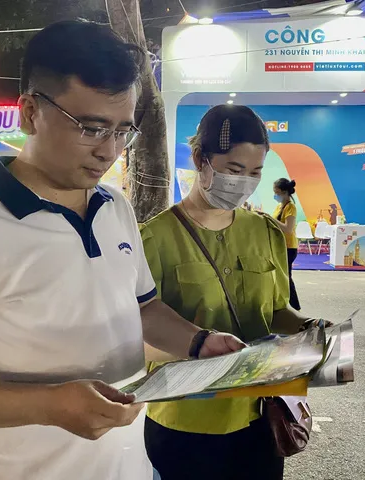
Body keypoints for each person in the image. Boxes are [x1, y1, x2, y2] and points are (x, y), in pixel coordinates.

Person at [0, 21, 243, 480]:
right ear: (30, 112)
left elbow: (142, 308)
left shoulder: (115, 207)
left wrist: (199, 342)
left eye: (122, 131)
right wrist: (51, 404)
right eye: (91, 128)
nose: (109, 151)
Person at [140, 105, 327, 480]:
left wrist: (310, 329)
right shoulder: (153, 238)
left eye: (255, 172)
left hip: (259, 415)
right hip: (185, 419)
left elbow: (276, 311)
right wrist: (199, 343)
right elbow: (139, 336)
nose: (244, 182)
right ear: (200, 159)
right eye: (234, 170)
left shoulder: (266, 232)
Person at [273, 178, 301, 310]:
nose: (275, 195)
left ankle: (295, 307)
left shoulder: (290, 207)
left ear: (284, 192)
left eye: (277, 192)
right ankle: (286, 304)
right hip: (279, 246)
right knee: (281, 277)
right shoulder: (279, 206)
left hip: (288, 247)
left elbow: (288, 229)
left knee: (286, 278)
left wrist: (270, 219)